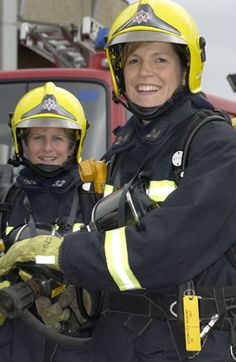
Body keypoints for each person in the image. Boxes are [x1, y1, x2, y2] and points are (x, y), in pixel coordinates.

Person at [1, 0, 236, 360]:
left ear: (186, 65)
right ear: (119, 69)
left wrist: (61, 252)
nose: (145, 73)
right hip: (115, 343)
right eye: (134, 60)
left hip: (188, 346)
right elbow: (105, 241)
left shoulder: (216, 143)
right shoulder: (123, 148)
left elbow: (163, 251)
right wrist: (71, 293)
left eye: (161, 59)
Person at [0, 81, 100, 362]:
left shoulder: (93, 202)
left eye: (58, 138)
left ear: (73, 145)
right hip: (14, 341)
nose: (47, 148)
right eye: (37, 138)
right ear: (22, 142)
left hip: (77, 342)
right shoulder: (6, 200)